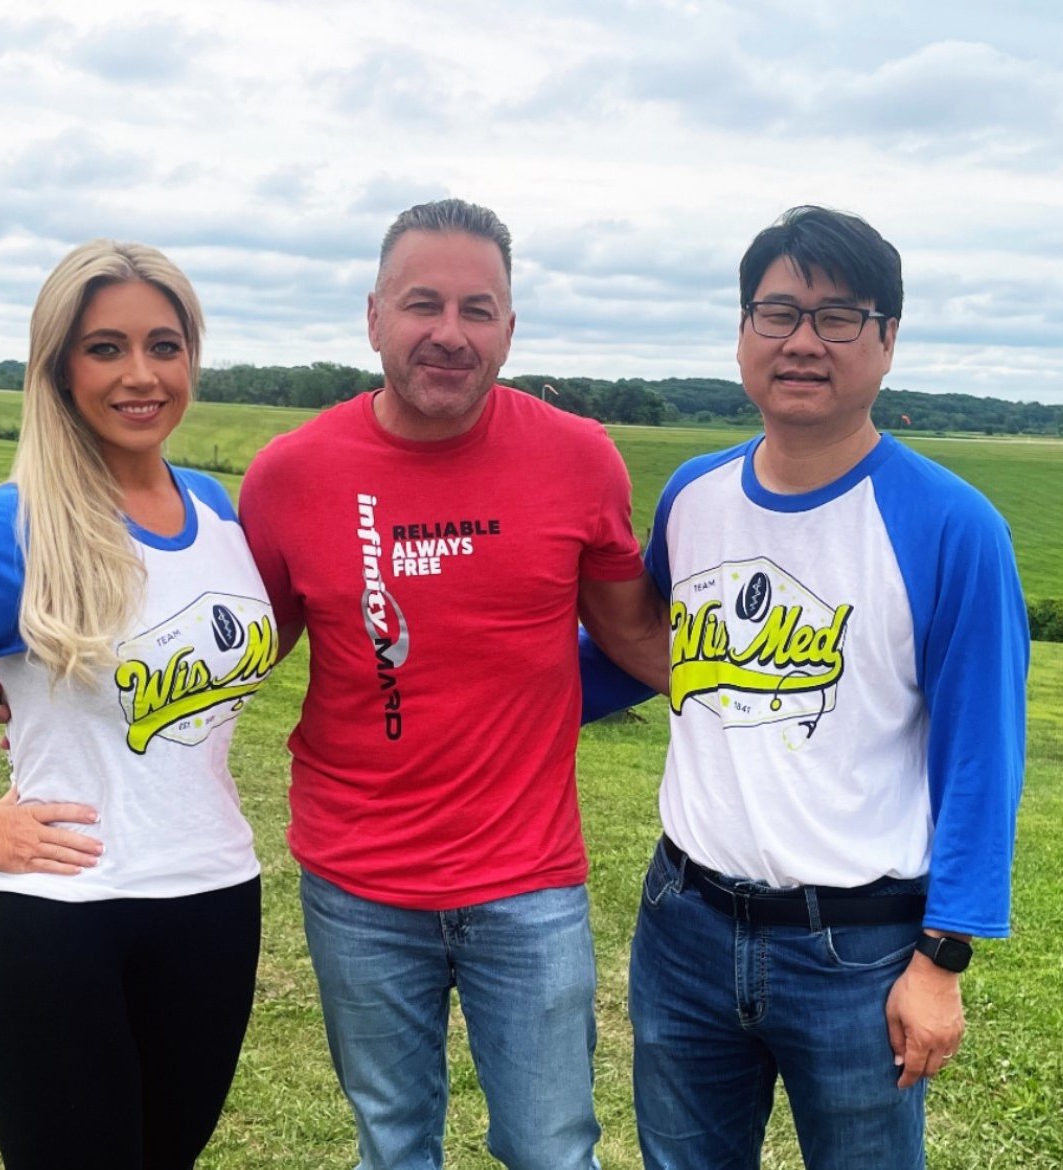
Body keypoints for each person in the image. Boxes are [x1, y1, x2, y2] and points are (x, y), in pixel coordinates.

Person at [580, 205, 1029, 1169]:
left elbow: (983, 761)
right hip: (683, 923)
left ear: (888, 339)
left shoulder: (953, 526)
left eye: (839, 317)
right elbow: (644, 649)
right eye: (777, 312)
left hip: (859, 952)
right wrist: (471, 676)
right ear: (743, 331)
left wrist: (942, 961)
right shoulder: (694, 497)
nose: (802, 341)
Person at [237, 198, 656, 1170]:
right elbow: (235, 652)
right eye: (424, 303)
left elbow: (636, 634)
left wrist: (817, 686)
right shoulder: (291, 475)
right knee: (393, 1144)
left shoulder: (579, 458)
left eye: (479, 309)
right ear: (374, 315)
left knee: (552, 1148)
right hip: (358, 881)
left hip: (530, 881)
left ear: (509, 328)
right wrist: (63, 690)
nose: (450, 333)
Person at [0, 241, 277, 1169]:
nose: (141, 375)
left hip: (215, 902)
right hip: (64, 922)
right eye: (106, 348)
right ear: (59, 367)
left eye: (165, 344)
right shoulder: (15, 527)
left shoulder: (216, 507)